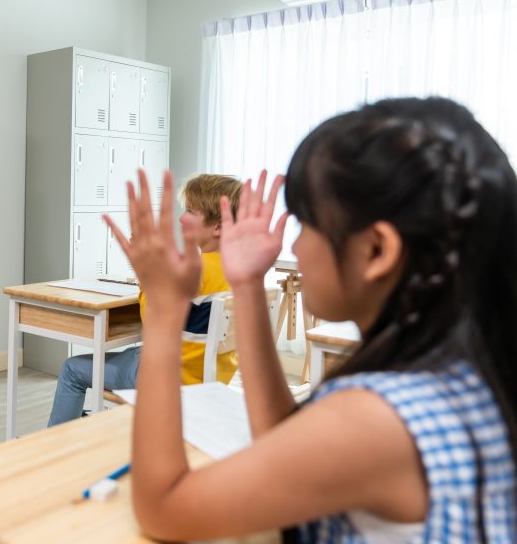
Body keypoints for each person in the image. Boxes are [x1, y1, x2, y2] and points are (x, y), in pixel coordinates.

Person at [109, 97, 515, 542]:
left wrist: (166, 313)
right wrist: (246, 283)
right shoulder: (460, 373)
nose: (295, 248)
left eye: (306, 224)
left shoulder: (377, 419)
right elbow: (286, 441)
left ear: (377, 250)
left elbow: (164, 510)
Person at [46, 174, 242, 427]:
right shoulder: (243, 270)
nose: (181, 218)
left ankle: (55, 447)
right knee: (132, 353)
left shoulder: (196, 270)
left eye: (191, 212)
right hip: (210, 378)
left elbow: (153, 323)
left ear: (219, 226)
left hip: (166, 379)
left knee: (72, 369)